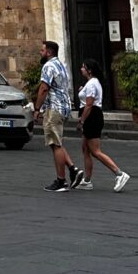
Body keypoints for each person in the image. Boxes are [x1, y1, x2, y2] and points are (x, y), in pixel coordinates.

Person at [31, 40, 83, 191]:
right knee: (57, 142)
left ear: (49, 52)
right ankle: (73, 170)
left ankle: (61, 181)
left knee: (55, 144)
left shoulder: (48, 66)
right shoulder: (61, 65)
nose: (40, 53)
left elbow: (44, 88)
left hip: (54, 108)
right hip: (64, 107)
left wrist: (37, 109)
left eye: (42, 50)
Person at [78, 59, 130, 193]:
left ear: (89, 70)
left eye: (83, 67)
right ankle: (87, 181)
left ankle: (119, 173)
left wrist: (82, 121)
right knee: (85, 149)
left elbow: (89, 104)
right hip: (92, 116)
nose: (81, 69)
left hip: (92, 117)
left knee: (95, 151)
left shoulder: (92, 84)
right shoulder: (91, 83)